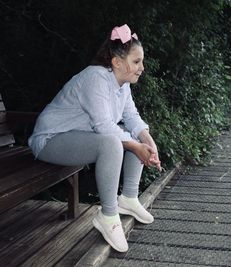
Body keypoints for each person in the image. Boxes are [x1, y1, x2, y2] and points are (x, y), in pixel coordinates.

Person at [28, 24, 161, 252]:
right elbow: (104, 127)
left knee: (130, 137)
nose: (142, 67)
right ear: (117, 62)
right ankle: (108, 216)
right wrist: (136, 146)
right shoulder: (96, 78)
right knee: (113, 141)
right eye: (137, 61)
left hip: (76, 137)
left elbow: (131, 117)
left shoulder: (122, 85)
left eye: (142, 62)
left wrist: (148, 141)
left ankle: (128, 198)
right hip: (50, 140)